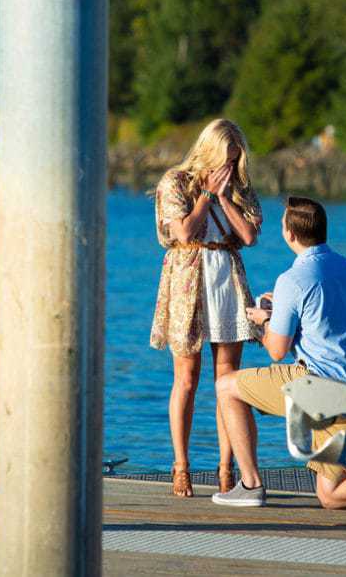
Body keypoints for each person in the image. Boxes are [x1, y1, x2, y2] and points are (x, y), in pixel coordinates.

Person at [213, 196, 346, 509]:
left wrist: (265, 320)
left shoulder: (292, 280)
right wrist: (283, 310)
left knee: (226, 387)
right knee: (330, 494)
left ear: (289, 234)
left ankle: (250, 484)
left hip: (322, 391)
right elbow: (329, 320)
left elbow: (276, 350)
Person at [150, 118, 263, 497]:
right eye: (225, 159)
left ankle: (226, 468)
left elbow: (248, 235)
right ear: (209, 151)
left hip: (227, 278)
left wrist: (226, 196)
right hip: (188, 278)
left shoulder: (239, 187)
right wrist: (206, 197)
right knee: (186, 377)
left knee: (227, 380)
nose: (229, 168)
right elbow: (183, 232)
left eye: (235, 160)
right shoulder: (175, 182)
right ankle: (181, 465)